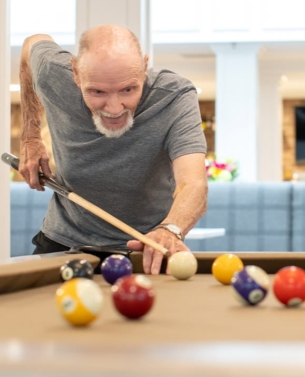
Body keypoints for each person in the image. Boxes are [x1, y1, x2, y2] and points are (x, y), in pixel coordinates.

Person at [18, 24, 208, 273]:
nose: (115, 107)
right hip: (64, 245)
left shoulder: (175, 97)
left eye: (128, 89)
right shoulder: (54, 73)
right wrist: (30, 136)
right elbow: (31, 44)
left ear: (143, 68)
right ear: (75, 73)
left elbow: (193, 184)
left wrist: (170, 229)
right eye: (97, 91)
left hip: (145, 249)